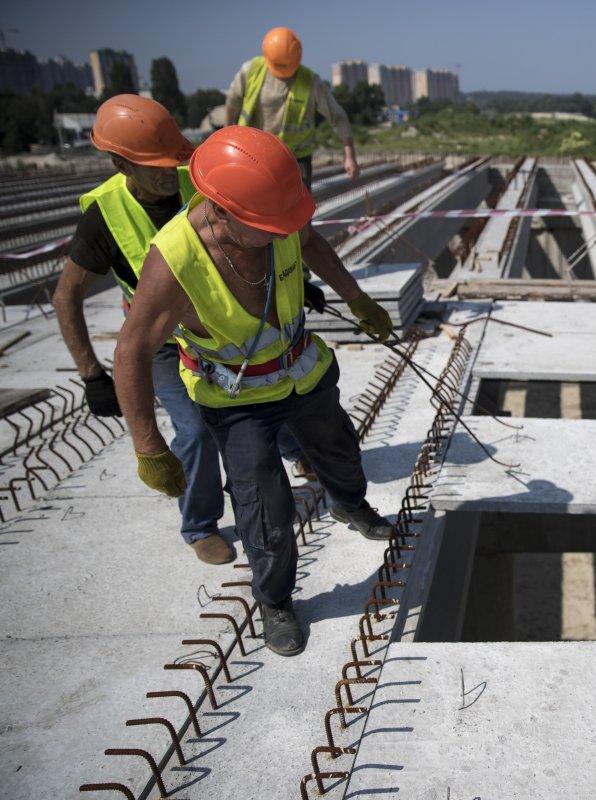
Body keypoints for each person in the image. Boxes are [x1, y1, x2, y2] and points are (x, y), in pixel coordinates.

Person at [113, 126, 397, 657]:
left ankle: (349, 504)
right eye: (270, 226)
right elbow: (130, 351)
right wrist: (148, 448)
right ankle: (275, 601)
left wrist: (358, 299)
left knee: (339, 451)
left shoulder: (274, 213)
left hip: (302, 374)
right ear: (221, 211)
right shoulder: (176, 259)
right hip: (235, 400)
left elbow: (309, 240)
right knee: (264, 503)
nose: (285, 230)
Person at [52, 95, 234, 565]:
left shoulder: (192, 183)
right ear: (119, 163)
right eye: (153, 164)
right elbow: (65, 296)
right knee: (194, 431)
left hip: (215, 325)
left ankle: (291, 458)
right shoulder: (103, 218)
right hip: (162, 344)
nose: (168, 170)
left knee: (260, 401)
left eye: (171, 158)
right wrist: (92, 374)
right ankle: (199, 525)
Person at [225, 26, 359, 187]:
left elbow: (338, 117)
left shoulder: (310, 82)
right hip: (253, 155)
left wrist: (350, 156)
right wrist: (227, 141)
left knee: (296, 208)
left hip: (296, 159)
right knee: (255, 206)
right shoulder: (251, 71)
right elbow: (232, 103)